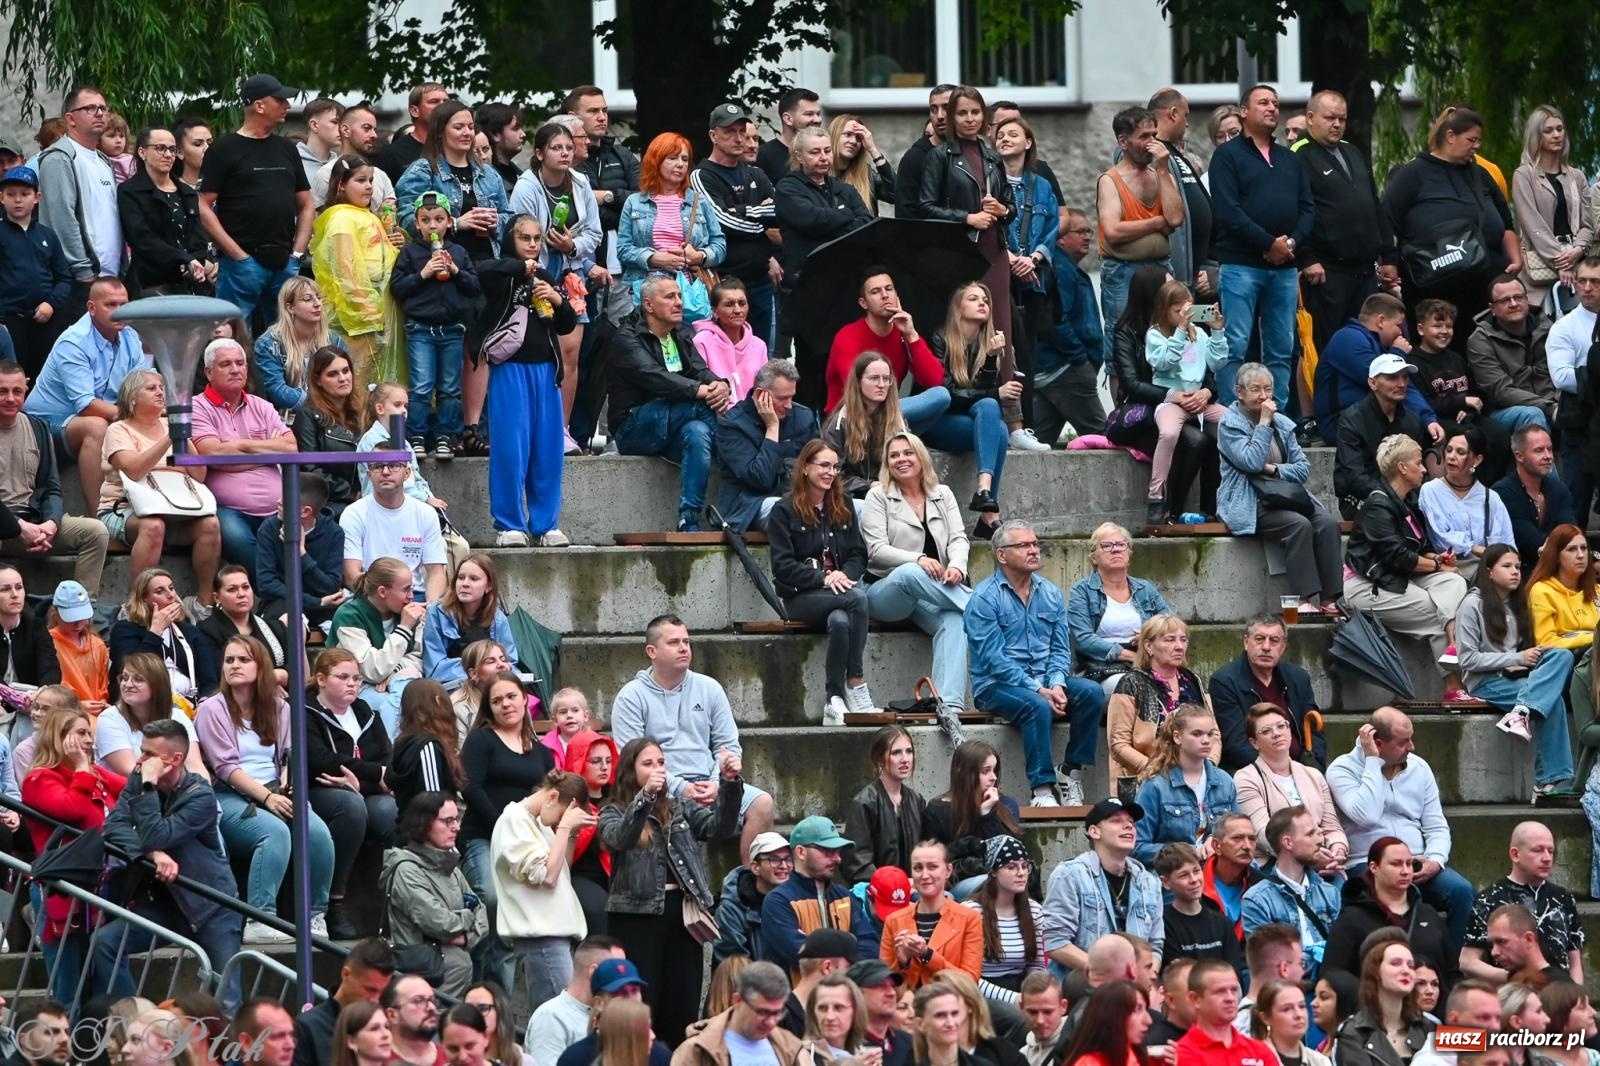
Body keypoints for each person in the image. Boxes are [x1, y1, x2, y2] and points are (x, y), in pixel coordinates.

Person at [90, 718, 244, 1009]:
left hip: (212, 906)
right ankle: (135, 1018)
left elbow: (155, 834)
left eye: (150, 755)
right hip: (165, 902)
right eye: (142, 751)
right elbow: (114, 826)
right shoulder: (140, 778)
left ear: (176, 759)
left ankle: (226, 1054)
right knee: (105, 943)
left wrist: (148, 787)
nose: (141, 761)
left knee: (227, 1000)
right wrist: (153, 855)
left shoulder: (200, 796)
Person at [602, 736, 742, 1048]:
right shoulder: (611, 810)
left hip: (682, 911)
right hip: (635, 915)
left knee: (683, 998)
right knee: (643, 999)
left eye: (661, 763)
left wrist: (730, 784)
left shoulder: (679, 806)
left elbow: (719, 828)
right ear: (630, 769)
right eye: (648, 763)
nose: (657, 769)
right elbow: (620, 839)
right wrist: (645, 798)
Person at [195, 634, 335, 941]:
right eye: (229, 660)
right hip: (230, 795)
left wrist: (287, 790)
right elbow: (225, 768)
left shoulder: (279, 707)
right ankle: (260, 918)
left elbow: (287, 757)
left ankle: (315, 915)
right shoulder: (211, 709)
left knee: (317, 833)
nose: (234, 666)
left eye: (244, 660)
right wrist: (268, 797)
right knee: (274, 832)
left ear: (261, 666)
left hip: (274, 790)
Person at [611, 613, 775, 865]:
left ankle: (749, 886)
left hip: (709, 784)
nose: (683, 648)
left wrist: (716, 782)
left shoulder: (710, 688)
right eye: (674, 642)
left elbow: (728, 746)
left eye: (686, 642)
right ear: (652, 651)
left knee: (762, 803)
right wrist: (680, 787)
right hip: (661, 790)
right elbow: (631, 759)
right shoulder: (631, 697)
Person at [967, 520, 1106, 807]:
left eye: (1034, 544)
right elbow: (995, 660)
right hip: (996, 686)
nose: (1033, 550)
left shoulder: (1051, 593)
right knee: (1036, 704)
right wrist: (1039, 689)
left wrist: (1056, 682)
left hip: (1044, 680)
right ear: (1001, 555)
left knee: (1092, 693)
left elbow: (1059, 649)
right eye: (1023, 545)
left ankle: (1070, 771)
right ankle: (1042, 789)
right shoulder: (983, 598)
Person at [1325, 708, 1477, 952]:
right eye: (1403, 742)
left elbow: (1437, 825)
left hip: (1417, 858)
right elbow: (1367, 816)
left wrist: (1435, 861)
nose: (1412, 747)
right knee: (1404, 889)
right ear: (1377, 742)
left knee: (1462, 891)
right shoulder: (1341, 770)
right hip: (1368, 864)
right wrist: (1373, 763)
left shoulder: (1419, 768)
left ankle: (1452, 969)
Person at [1208, 84, 1314, 405]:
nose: (1272, 108)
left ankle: (1276, 418)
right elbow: (1228, 211)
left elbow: (1308, 208)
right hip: (1242, 264)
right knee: (1235, 345)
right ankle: (1232, 418)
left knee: (1281, 348)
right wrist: (1269, 243)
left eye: (1276, 103)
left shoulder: (1289, 159)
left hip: (1283, 269)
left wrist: (1290, 242)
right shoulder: (1227, 156)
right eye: (1263, 102)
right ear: (1244, 112)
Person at [1343, 434, 1470, 697]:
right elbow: (1397, 556)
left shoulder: (1405, 502)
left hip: (1399, 577)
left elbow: (1418, 549)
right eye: (1418, 463)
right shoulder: (1378, 503)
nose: (1425, 468)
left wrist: (1438, 560)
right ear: (1402, 468)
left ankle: (1453, 643)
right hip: (1367, 584)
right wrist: (1436, 567)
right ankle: (1453, 689)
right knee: (1436, 613)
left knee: (1455, 581)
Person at [1383, 106, 1519, 347]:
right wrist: (1389, 262)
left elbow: (1506, 222)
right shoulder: (1413, 173)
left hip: (1484, 284)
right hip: (1436, 287)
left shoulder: (1481, 174)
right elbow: (1387, 221)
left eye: (1479, 140)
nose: (1477, 146)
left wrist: (1515, 259)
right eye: (1472, 140)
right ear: (1450, 137)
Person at [605, 273, 729, 533]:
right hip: (634, 426)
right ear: (648, 304)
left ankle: (689, 518)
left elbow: (700, 370)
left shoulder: (679, 332)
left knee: (698, 432)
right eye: (670, 296)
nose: (679, 302)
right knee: (700, 408)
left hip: (674, 423)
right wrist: (702, 391)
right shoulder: (625, 338)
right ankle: (736, 462)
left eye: (680, 296)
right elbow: (655, 378)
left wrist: (720, 384)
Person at [1220, 362, 1344, 616]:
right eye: (1255, 390)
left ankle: (1330, 599)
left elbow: (1301, 469)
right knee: (1299, 525)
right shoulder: (1229, 424)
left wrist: (1274, 470)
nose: (1264, 396)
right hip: (1250, 499)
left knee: (1328, 523)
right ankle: (1301, 601)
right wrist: (1264, 423)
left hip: (1286, 494)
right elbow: (1250, 462)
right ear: (1239, 392)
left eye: (1268, 389)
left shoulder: (1284, 423)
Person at [22, 705, 126, 1004]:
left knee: (100, 984)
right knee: (69, 988)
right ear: (59, 737)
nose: (88, 741)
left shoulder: (95, 774)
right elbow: (73, 811)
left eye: (89, 734)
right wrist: (82, 769)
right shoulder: (39, 779)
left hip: (99, 887)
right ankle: (63, 1048)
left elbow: (131, 789)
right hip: (61, 891)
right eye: (80, 733)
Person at [767, 438, 874, 722]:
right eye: (824, 465)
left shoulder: (844, 504)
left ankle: (833, 701)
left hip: (839, 592)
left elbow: (858, 555)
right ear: (805, 468)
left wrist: (844, 575)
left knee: (840, 621)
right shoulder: (784, 510)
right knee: (858, 598)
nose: (830, 472)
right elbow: (782, 567)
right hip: (801, 596)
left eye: (835, 467)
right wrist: (825, 578)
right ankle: (856, 681)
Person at [21, 277, 149, 513]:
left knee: (154, 417)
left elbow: (142, 386)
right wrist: (136, 416)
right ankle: (101, 515)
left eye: (124, 304)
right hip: (42, 425)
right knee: (96, 426)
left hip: (89, 417)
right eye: (111, 305)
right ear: (91, 307)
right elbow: (86, 406)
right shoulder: (74, 342)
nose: (119, 311)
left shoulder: (130, 336)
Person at [459, 670, 554, 987]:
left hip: (524, 846)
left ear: (525, 698)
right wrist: (503, 823)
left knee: (511, 919)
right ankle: (475, 977)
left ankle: (497, 996)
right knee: (492, 896)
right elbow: (470, 787)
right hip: (483, 836)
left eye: (511, 696)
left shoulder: (542, 754)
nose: (505, 704)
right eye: (496, 700)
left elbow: (550, 797)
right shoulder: (481, 740)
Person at [1457, 545, 1575, 792]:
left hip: (1519, 675)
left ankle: (1520, 712)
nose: (1515, 572)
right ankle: (1549, 782)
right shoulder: (1472, 604)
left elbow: (1524, 654)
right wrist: (1516, 658)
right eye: (1507, 566)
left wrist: (1532, 655)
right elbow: (1467, 660)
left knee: (1561, 655)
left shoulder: (1518, 602)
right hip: (1486, 680)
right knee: (1553, 702)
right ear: (1489, 572)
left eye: (1518, 567)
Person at [97, 369, 220, 604]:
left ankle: (205, 602)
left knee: (210, 524)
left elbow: (199, 475)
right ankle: (138, 605)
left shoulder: (171, 427)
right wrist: (169, 438)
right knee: (154, 525)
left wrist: (183, 437)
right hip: (122, 510)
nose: (160, 393)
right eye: (151, 388)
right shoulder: (118, 430)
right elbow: (133, 470)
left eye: (161, 388)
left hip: (175, 510)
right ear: (132, 398)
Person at [199, 76, 314, 324]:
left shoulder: (287, 149)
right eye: (280, 99)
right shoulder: (223, 148)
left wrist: (297, 253)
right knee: (234, 336)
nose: (287, 104)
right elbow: (202, 204)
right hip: (241, 264)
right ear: (259, 106)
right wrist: (237, 254)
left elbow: (306, 204)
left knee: (289, 338)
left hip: (285, 261)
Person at [1294, 90, 1397, 355]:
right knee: (1330, 344)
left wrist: (1389, 255)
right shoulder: (1299, 155)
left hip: (1364, 269)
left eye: (1342, 118)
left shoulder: (1352, 151)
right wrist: (1307, 258)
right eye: (1330, 118)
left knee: (1368, 341)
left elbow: (1373, 203)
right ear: (1310, 118)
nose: (1337, 124)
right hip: (1328, 270)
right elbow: (1296, 210)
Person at [305, 647, 398, 938]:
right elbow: (321, 760)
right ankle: (334, 902)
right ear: (321, 679)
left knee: (392, 813)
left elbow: (386, 760)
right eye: (343, 677)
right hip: (320, 788)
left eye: (356, 679)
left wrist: (362, 784)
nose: (352, 684)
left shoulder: (365, 711)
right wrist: (371, 776)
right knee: (350, 808)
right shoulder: (306, 712)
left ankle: (399, 904)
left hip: (361, 790)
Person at [775, 127, 874, 399]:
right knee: (813, 367)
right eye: (815, 152)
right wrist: (843, 217)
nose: (823, 157)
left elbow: (865, 223)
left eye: (827, 150)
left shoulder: (844, 189)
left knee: (847, 363)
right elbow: (810, 219)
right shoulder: (788, 188)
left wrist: (831, 220)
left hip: (844, 288)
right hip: (807, 290)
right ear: (799, 155)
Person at [925, 282, 1027, 534]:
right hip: (938, 423)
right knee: (997, 423)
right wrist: (996, 392)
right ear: (958, 309)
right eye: (973, 298)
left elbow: (983, 395)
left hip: (971, 423)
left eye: (985, 299)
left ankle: (984, 491)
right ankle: (988, 514)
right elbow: (947, 394)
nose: (983, 303)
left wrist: (992, 357)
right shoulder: (940, 339)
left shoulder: (990, 343)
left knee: (997, 422)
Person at [0, 360, 109, 596]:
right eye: (3, 391)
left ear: (25, 391)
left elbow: (52, 488)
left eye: (17, 391)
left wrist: (50, 524)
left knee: (96, 532)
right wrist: (20, 528)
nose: (10, 398)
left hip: (35, 520)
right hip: (5, 526)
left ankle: (81, 609)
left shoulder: (38, 428)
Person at [190, 337, 296, 574]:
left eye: (240, 363)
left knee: (317, 528)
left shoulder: (261, 405)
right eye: (226, 364)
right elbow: (213, 453)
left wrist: (243, 448)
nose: (235, 369)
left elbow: (290, 448)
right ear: (209, 372)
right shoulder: (197, 406)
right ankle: (278, 595)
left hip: (277, 507)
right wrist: (266, 450)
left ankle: (285, 597)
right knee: (235, 537)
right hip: (228, 508)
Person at [919, 86, 1015, 345]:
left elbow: (1010, 205)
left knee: (998, 321)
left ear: (984, 116)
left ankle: (1001, 382)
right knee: (964, 323)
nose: (970, 118)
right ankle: (964, 383)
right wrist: (967, 218)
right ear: (952, 117)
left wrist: (1002, 209)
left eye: (975, 112)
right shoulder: (940, 156)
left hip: (995, 247)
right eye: (962, 113)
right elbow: (925, 207)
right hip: (961, 251)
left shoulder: (993, 156)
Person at [491, 767, 594, 1009]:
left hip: (554, 935)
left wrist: (569, 835)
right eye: (560, 817)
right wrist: (565, 828)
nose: (559, 823)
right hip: (541, 937)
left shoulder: (537, 822)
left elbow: (560, 871)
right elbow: (546, 876)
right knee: (560, 1018)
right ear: (553, 797)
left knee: (565, 1018)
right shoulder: (513, 819)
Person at [389, 191, 478, 459]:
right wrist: (423, 274)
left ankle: (445, 436)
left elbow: (474, 286)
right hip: (420, 329)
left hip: (451, 329)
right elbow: (397, 287)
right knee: (421, 386)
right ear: (417, 224)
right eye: (425, 220)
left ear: (449, 222)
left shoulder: (459, 252)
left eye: (438, 219)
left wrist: (455, 272)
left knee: (450, 387)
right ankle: (416, 435)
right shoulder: (410, 252)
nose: (432, 226)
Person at [382, 791, 488, 998]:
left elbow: (482, 912)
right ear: (424, 823)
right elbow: (440, 923)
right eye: (448, 821)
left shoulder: (452, 869)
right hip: (421, 983)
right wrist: (468, 918)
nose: (456, 827)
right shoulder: (406, 870)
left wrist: (465, 939)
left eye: (457, 819)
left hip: (451, 980)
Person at [692, 105, 780, 351]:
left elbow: (781, 212)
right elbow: (721, 220)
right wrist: (762, 225)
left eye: (742, 130)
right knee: (725, 356)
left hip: (760, 279)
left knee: (761, 356)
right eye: (730, 131)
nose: (739, 137)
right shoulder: (702, 175)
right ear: (713, 135)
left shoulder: (756, 174)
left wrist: (741, 212)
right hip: (724, 281)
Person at [1041, 798, 1164, 973]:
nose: (1128, 826)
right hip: (1081, 990)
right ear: (1094, 832)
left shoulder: (1149, 882)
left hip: (1133, 990)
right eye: (1116, 821)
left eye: (1131, 822)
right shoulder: (1069, 874)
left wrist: (1145, 978)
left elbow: (1155, 945)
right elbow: (1055, 942)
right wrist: (1108, 972)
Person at [1096, 107, 1183, 342]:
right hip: (1123, 270)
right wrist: (1157, 222)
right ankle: (1119, 380)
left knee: (1169, 333)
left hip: (1161, 267)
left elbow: (1175, 219)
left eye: (1154, 135)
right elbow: (1113, 231)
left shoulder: (1161, 175)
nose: (1151, 143)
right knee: (1122, 336)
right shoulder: (1110, 181)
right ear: (1123, 141)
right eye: (1144, 136)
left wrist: (1163, 169)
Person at [1462, 821, 1584, 983]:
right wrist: (1516, 979)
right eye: (1538, 850)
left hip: (1560, 995)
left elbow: (1574, 962)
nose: (1547, 858)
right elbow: (1467, 962)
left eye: (1551, 851)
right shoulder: (1489, 899)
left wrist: (1575, 996)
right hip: (1514, 997)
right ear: (1515, 854)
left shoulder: (1563, 897)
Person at [1321, 837, 1452, 988]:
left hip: (1430, 1008)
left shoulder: (1428, 914)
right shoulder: (1352, 918)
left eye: (1409, 864)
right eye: (1396, 864)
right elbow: (1333, 972)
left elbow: (1451, 972)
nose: (1405, 871)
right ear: (1374, 867)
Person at [37, 86, 122, 312]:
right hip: (79, 280)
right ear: (70, 118)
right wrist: (82, 269)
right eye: (90, 108)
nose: (100, 113)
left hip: (110, 277)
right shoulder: (59, 158)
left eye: (103, 108)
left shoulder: (105, 161)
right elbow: (61, 218)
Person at [761, 815, 882, 974]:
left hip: (845, 994)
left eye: (837, 851)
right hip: (799, 998)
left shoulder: (844, 896)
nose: (837, 858)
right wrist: (850, 945)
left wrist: (817, 945)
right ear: (801, 852)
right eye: (828, 851)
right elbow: (801, 956)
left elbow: (870, 947)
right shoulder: (778, 901)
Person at [1106, 616, 1209, 802]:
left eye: (1183, 639)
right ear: (1148, 646)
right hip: (1146, 781)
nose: (1179, 646)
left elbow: (1214, 733)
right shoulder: (1131, 683)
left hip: (1195, 777)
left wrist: (1207, 767)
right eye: (1170, 639)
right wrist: (1157, 770)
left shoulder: (1194, 681)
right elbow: (1118, 745)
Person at [395, 101, 512, 265]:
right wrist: (455, 224)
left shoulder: (489, 173)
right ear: (440, 132)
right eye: (458, 127)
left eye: (470, 127)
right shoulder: (423, 171)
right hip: (443, 264)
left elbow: (511, 222)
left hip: (491, 262)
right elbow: (407, 222)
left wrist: (495, 221)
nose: (467, 133)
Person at [614, 132, 725, 304]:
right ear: (655, 161)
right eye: (672, 158)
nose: (680, 164)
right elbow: (623, 249)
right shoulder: (634, 202)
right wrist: (653, 258)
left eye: (685, 159)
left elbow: (720, 245)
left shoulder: (699, 201)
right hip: (648, 290)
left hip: (691, 290)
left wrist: (700, 256)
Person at [1233, 703, 1347, 868]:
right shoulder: (1246, 778)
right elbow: (1263, 835)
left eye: (1281, 726)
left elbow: (1332, 828)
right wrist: (1310, 856)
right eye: (1266, 731)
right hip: (1276, 865)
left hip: (1324, 860)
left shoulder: (1314, 775)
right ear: (1254, 743)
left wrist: (1337, 851)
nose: (1277, 733)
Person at [1067, 522, 1172, 696]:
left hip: (1147, 662)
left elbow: (1171, 625)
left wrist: (1150, 635)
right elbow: (1082, 639)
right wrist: (1133, 657)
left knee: (1186, 687)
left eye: (1121, 544)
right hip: (1102, 668)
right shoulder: (1082, 590)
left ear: (1129, 553)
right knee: (1136, 687)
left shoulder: (1145, 588)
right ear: (1094, 557)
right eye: (1106, 545)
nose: (1115, 549)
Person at [713, 358, 817, 534]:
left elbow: (817, 463)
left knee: (859, 509)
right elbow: (760, 479)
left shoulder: (803, 418)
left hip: (796, 497)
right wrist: (772, 428)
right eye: (783, 398)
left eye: (792, 397)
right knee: (786, 510)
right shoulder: (732, 426)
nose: (789, 405)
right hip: (748, 507)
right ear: (761, 395)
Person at [1326, 346, 1437, 506]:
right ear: (1373, 383)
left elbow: (1418, 468)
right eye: (1392, 377)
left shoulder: (1412, 420)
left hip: (1404, 497)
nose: (1401, 383)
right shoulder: (1352, 419)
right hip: (1361, 497)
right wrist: (1395, 497)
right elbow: (1355, 477)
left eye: (1405, 377)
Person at [1034, 208, 1108, 446]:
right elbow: (1055, 318)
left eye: (1089, 231)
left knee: (1037, 443)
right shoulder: (1060, 268)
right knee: (1104, 439)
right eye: (1080, 231)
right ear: (1060, 237)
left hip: (1056, 369)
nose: (1087, 236)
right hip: (1065, 369)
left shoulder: (1066, 266)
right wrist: (1079, 359)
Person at [1239, 806, 1341, 976]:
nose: (1319, 840)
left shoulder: (1330, 892)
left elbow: (1342, 953)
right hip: (1285, 991)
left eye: (1318, 832)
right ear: (1288, 843)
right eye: (1310, 834)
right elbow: (1270, 964)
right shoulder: (1257, 900)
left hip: (1328, 987)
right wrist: (1320, 956)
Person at [329, 556, 426, 735]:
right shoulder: (349, 615)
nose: (411, 596)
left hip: (397, 683)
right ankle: (389, 757)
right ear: (382, 591)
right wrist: (404, 628)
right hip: (355, 687)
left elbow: (420, 658)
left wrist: (396, 670)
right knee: (400, 706)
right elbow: (373, 670)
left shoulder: (407, 612)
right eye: (406, 590)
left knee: (412, 693)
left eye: (411, 589)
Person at [1132, 704, 1237, 864]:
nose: (1206, 740)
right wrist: (1188, 852)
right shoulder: (1156, 785)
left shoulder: (1224, 781)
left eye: (1210, 734)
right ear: (1177, 737)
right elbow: (1137, 847)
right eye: (1197, 734)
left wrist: (1217, 842)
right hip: (1172, 877)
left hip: (1217, 873)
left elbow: (1239, 833)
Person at [921, 739, 1025, 897]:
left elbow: (1011, 854)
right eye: (986, 771)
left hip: (1002, 879)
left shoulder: (1005, 804)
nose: (993, 777)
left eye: (994, 770)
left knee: (1003, 881)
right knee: (988, 883)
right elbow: (936, 859)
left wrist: (987, 816)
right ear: (962, 772)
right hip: (959, 880)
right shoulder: (938, 809)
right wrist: (977, 820)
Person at [1512, 106, 1591, 314]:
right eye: (1548, 131)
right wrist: (1560, 261)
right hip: (1542, 268)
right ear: (1536, 135)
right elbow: (1532, 225)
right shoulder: (1524, 175)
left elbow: (1587, 224)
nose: (1557, 135)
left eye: (1560, 129)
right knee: (1545, 330)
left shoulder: (1577, 176)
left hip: (1577, 264)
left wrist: (1578, 249)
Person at [118, 126, 213, 296]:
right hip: (150, 281)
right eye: (160, 148)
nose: (168, 155)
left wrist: (195, 260)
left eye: (172, 149)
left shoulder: (187, 193)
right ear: (142, 152)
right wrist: (182, 258)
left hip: (190, 281)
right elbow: (141, 238)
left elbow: (198, 237)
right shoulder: (130, 191)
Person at [995, 113, 1059, 362]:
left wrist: (1032, 259)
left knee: (1027, 354)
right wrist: (1011, 259)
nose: (1005, 139)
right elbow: (988, 228)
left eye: (1012, 134)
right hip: (1000, 278)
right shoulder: (989, 181)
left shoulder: (1042, 185)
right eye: (1000, 136)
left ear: (1028, 142)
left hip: (1034, 279)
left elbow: (1053, 226)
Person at [339, 457, 448, 603]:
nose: (385, 472)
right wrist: (386, 598)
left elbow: (436, 573)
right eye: (377, 466)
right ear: (369, 474)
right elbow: (351, 574)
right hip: (370, 594)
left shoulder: (425, 512)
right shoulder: (354, 513)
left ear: (407, 472)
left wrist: (429, 607)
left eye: (394, 466)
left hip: (413, 594)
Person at [962, 835, 1044, 1022]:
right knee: (1018, 1019)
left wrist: (1033, 994)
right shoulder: (972, 912)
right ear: (993, 872)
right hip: (982, 992)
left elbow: (1037, 965)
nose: (1021, 873)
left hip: (1022, 989)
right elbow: (967, 976)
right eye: (1011, 867)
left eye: (1025, 866)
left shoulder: (1034, 911)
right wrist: (1013, 999)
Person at [1417, 426, 1515, 580]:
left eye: (1460, 452)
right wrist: (1477, 549)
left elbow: (1507, 543)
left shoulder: (1491, 498)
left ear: (1477, 459)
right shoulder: (1430, 491)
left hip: (1485, 570)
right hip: (1445, 569)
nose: (1451, 456)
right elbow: (1441, 536)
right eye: (1449, 450)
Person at [106, 567, 216, 705]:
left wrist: (203, 704)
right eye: (159, 591)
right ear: (144, 599)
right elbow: (130, 669)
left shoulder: (189, 631)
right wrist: (155, 632)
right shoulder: (125, 629)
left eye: (171, 588)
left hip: (190, 706)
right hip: (141, 706)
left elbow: (209, 680)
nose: (170, 595)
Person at [881, 840, 983, 988]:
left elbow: (969, 980)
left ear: (948, 870)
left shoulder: (969, 918)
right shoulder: (893, 921)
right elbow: (885, 983)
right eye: (917, 868)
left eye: (932, 867)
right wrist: (903, 962)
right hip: (908, 1007)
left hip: (951, 1004)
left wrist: (927, 955)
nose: (924, 875)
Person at [253, 470, 347, 628]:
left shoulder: (334, 533)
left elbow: (330, 586)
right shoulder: (269, 529)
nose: (278, 501)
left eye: (285, 500)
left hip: (325, 607)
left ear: (305, 511)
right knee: (289, 622)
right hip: (284, 602)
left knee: (347, 619)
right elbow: (266, 585)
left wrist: (301, 554)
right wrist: (316, 602)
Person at [291, 938, 397, 1066]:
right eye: (369, 989)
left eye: (382, 992)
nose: (375, 999)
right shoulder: (307, 1028)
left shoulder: (389, 1023)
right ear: (346, 974)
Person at [524, 936, 628, 1066]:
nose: (624, 980)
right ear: (594, 972)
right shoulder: (551, 1017)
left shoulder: (612, 1015)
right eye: (617, 971)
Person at [675, 960, 803, 1064]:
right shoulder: (697, 1052)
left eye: (777, 1013)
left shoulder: (790, 1047)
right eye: (762, 1012)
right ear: (737, 1000)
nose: (770, 1022)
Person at [843, 726, 927, 883]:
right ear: (879, 759)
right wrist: (896, 883)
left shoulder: (917, 801)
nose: (905, 759)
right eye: (896, 752)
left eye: (909, 751)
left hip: (914, 888)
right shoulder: (864, 803)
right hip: (878, 893)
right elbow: (857, 865)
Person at [292, 345, 368, 510]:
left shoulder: (362, 412)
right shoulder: (307, 416)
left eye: (346, 370)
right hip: (328, 504)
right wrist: (351, 493)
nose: (343, 378)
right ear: (317, 380)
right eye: (333, 374)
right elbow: (310, 469)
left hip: (366, 497)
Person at [1330, 940, 1429, 1066]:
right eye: (1395, 963)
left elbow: (1461, 1048)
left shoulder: (1429, 1026)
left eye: (1411, 965)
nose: (1406, 970)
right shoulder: (1352, 1032)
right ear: (1375, 972)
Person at [253, 277, 345, 412]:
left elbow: (348, 380)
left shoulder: (334, 340)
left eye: (319, 298)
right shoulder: (268, 344)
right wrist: (321, 405)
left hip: (331, 416)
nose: (317, 304)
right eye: (308, 299)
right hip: (285, 421)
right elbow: (276, 390)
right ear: (290, 308)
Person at [194, 566, 289, 690]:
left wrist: (282, 675)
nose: (241, 594)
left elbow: (295, 668)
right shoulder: (206, 630)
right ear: (217, 598)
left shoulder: (275, 628)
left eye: (245, 587)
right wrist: (268, 680)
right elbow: (219, 675)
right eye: (232, 589)